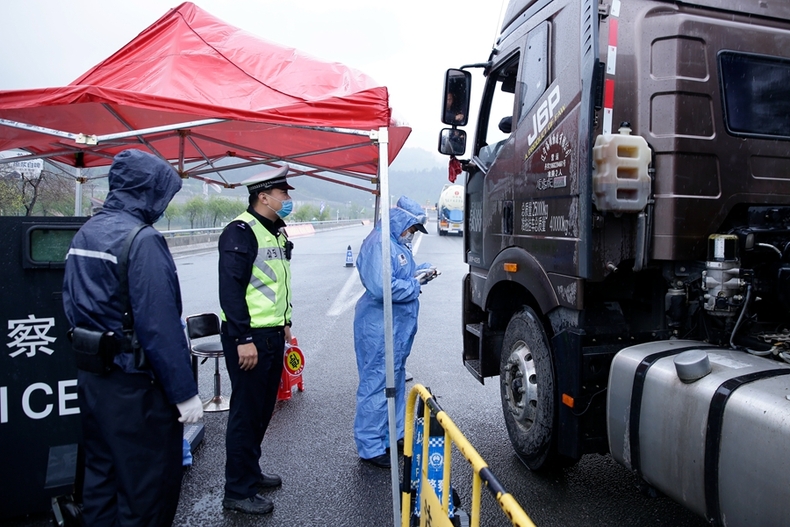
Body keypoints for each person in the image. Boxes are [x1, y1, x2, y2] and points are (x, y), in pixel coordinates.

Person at [62, 149, 203, 526]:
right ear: (148, 190)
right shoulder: (142, 240)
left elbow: (70, 303)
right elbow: (160, 326)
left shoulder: (87, 232)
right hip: (136, 387)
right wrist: (184, 392)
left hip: (94, 381)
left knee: (101, 480)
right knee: (146, 491)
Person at [218, 164, 295, 514]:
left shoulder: (275, 232)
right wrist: (242, 338)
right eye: (283, 193)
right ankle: (237, 489)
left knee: (263, 410)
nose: (288, 199)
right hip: (248, 337)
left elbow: (277, 284)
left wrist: (285, 322)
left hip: (271, 334)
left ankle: (250, 471)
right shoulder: (240, 231)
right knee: (246, 414)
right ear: (263, 196)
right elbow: (231, 292)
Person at [353, 196, 439, 468]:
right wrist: (415, 284)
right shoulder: (380, 244)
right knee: (377, 384)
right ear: (401, 221)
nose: (412, 235)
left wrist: (422, 272)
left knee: (394, 381)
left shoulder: (394, 243)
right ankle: (370, 446)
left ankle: (395, 435)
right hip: (380, 328)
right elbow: (383, 287)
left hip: (395, 330)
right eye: (411, 229)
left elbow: (404, 273)